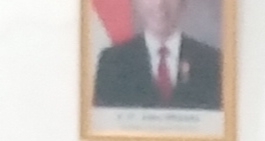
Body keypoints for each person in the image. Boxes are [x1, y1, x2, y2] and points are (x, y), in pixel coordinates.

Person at [93, 0, 224, 109]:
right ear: (136, 3)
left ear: (184, 3)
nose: (160, 4)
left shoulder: (212, 61)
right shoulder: (113, 61)